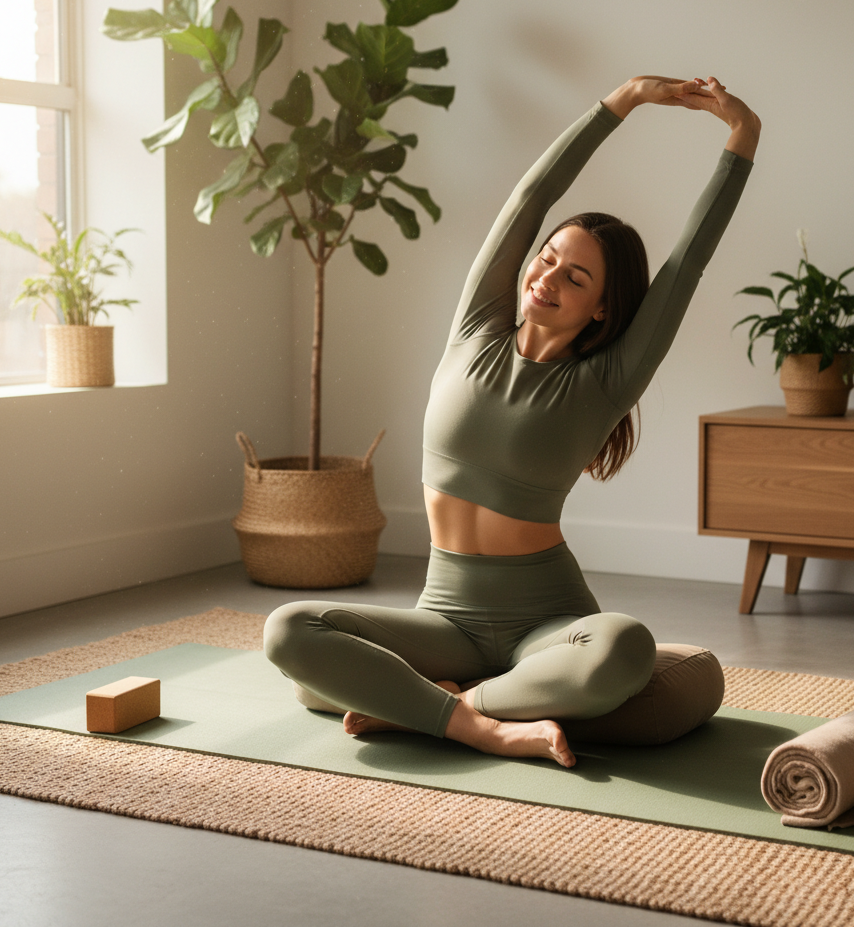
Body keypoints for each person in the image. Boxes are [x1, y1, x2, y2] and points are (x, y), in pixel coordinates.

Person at [264, 74, 760, 769]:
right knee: (290, 630)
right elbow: (531, 200)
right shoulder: (476, 328)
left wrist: (743, 135)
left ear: (604, 312)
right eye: (547, 259)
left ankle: (441, 706)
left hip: (547, 621)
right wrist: (622, 101)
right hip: (443, 618)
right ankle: (485, 721)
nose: (546, 279)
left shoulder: (605, 381)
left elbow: (689, 262)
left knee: (626, 649)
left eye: (575, 279)